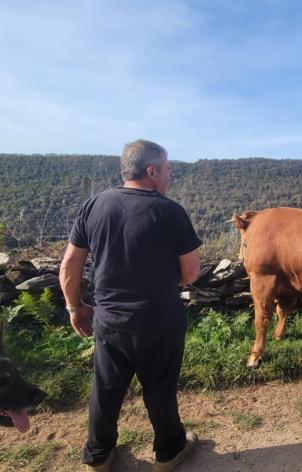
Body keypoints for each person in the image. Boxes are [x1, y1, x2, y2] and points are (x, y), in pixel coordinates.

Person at [59, 139, 202, 471]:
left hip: (109, 322)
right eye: (167, 169)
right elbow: (192, 272)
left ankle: (98, 456)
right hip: (160, 321)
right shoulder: (170, 211)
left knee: (106, 390)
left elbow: (70, 265)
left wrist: (74, 307)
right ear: (151, 171)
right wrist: (169, 283)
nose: (170, 175)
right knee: (160, 389)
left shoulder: (94, 205)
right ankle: (168, 453)